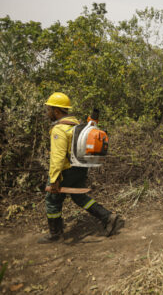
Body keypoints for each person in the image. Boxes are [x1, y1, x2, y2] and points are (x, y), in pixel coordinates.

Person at [38, 92, 123, 243]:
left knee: (52, 199)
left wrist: (55, 179)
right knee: (79, 196)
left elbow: (57, 157)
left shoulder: (59, 129)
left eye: (49, 109)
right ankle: (108, 217)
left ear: (56, 111)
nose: (47, 113)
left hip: (65, 171)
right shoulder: (76, 125)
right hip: (80, 168)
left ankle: (55, 234)